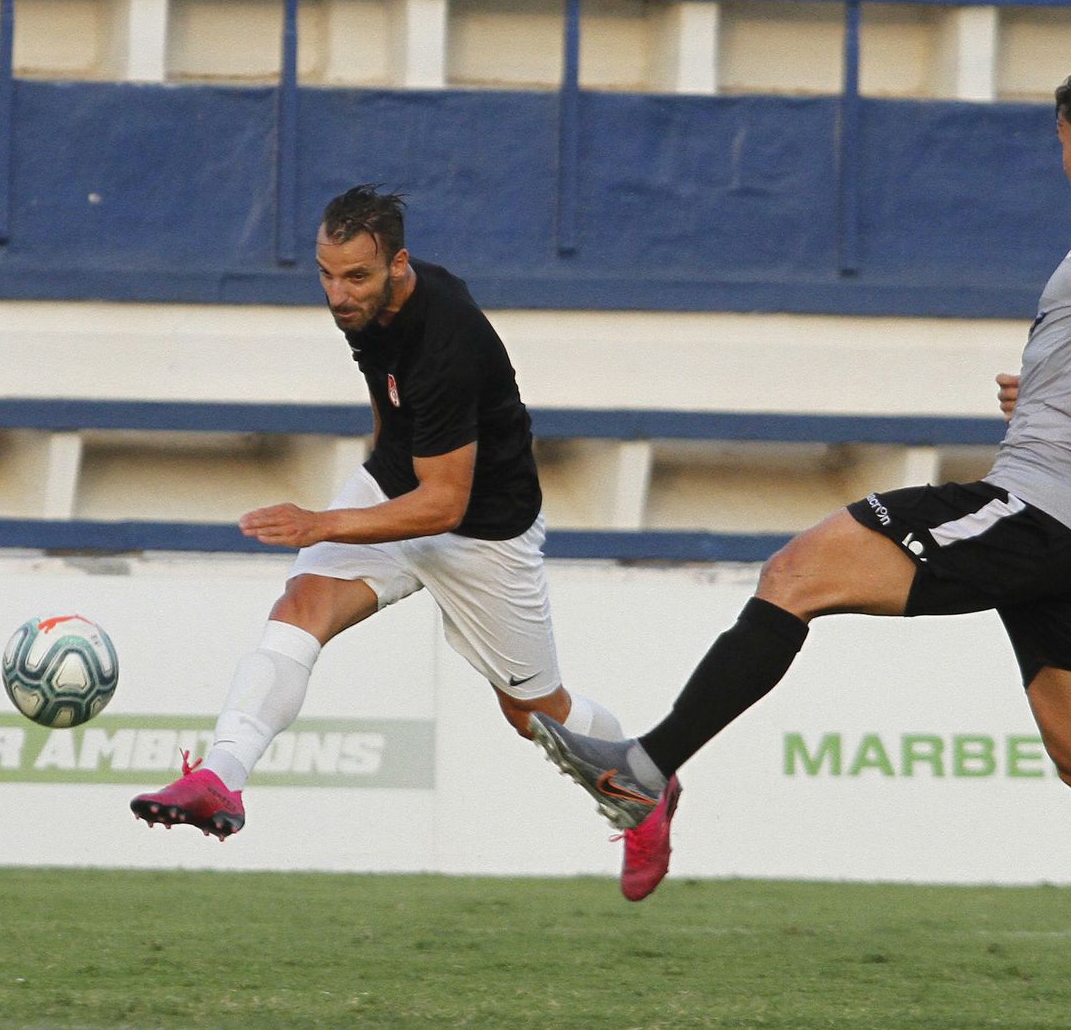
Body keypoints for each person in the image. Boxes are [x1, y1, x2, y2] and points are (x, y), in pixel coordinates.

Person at [530, 63, 1071, 988]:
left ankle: (645, 768)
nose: (1065, 166)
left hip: (1042, 510)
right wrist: (1056, 386)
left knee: (796, 574)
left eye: (1062, 146)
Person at [130, 184, 679, 901]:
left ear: (399, 264)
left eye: (355, 275)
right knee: (302, 603)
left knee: (535, 715)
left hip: (483, 533)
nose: (338, 292)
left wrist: (323, 521)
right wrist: (368, 484)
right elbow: (388, 404)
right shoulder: (364, 309)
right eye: (326, 274)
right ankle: (220, 778)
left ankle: (650, 779)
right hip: (401, 491)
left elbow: (446, 503)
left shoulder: (446, 337)